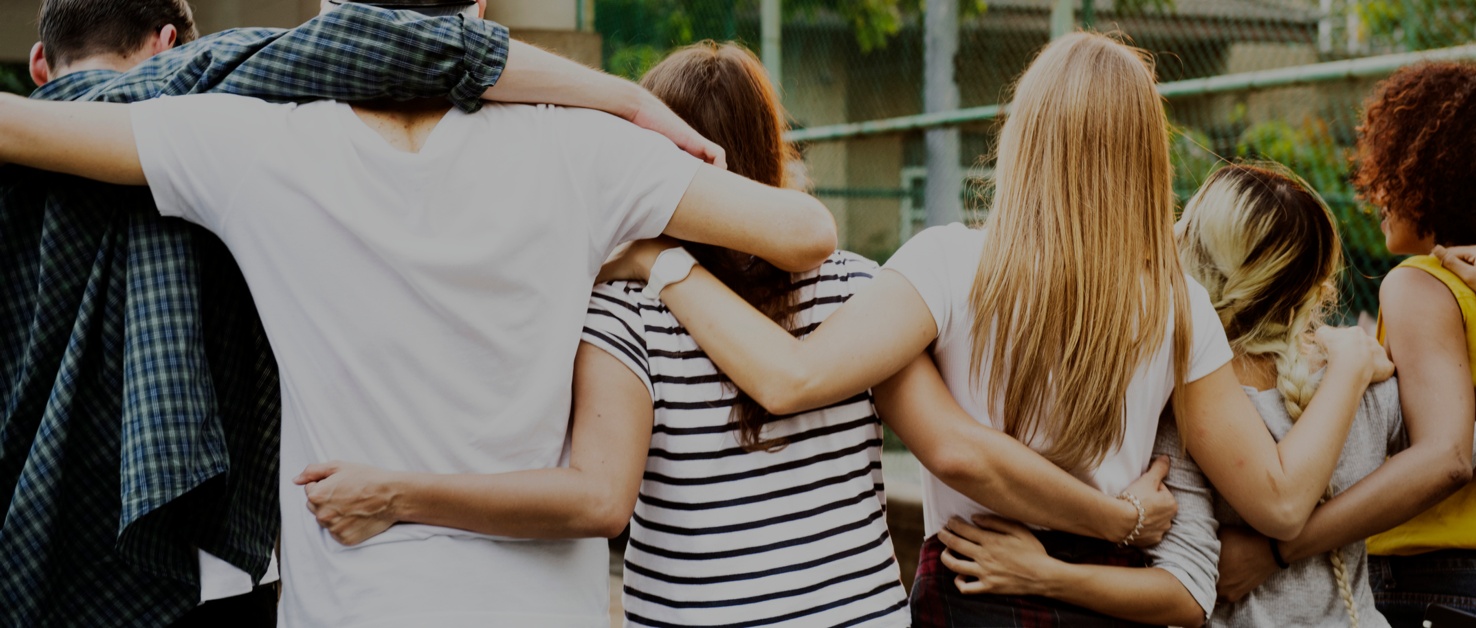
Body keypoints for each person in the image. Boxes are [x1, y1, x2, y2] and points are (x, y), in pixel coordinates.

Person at [284, 40, 1189, 627]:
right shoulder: (860, 288)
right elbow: (953, 444)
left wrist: (402, 493)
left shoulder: (624, 306)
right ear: (769, 153)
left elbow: (599, 498)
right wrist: (1122, 517)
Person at [0, 6, 836, 626]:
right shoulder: (587, 150)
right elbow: (804, 233)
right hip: (544, 609)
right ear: (476, 18)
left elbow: (31, 130)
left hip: (354, 602)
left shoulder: (250, 142)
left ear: (333, 15)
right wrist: (647, 250)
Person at [596, 32, 1391, 627]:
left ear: (1023, 135)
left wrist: (666, 265)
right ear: (1146, 156)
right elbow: (1281, 505)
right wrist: (1352, 366)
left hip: (976, 583)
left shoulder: (942, 264)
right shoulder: (1179, 305)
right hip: (1113, 588)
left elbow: (796, 380)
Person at [936, 164, 1476, 627]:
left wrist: (1046, 575)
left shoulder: (1179, 405)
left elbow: (1190, 587)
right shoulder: (1362, 379)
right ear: (1313, 284)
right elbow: (1465, 449)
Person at [1351, 62, 1476, 627]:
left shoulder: (1420, 282)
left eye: (1389, 167)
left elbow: (1467, 452)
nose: (1378, 192)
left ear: (1435, 170)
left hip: (1433, 583)